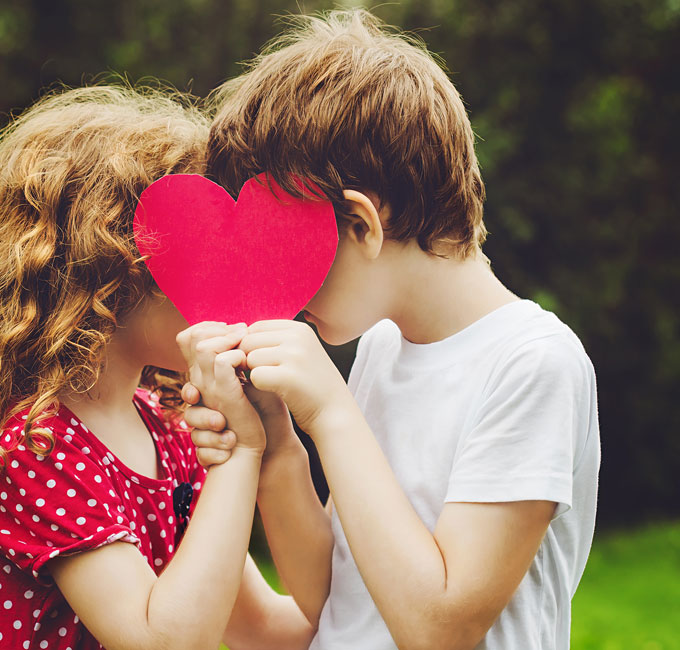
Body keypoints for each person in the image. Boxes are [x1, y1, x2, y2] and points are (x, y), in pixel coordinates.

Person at [185, 10, 601, 650]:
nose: (280, 296)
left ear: (360, 224)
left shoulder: (533, 363)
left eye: (285, 256)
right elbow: (335, 591)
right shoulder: (383, 346)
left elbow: (441, 628)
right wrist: (274, 444)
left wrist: (330, 413)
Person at [0, 86, 310, 650]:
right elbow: (159, 641)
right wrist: (241, 457)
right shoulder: (32, 445)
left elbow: (267, 632)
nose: (224, 279)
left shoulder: (169, 430)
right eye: (197, 250)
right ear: (113, 270)